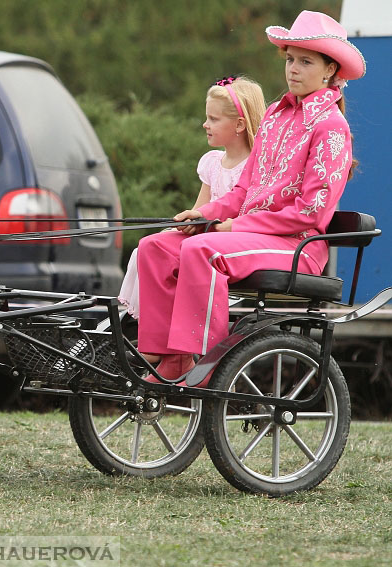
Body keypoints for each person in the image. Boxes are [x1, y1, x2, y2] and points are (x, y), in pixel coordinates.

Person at [135, 10, 365, 386]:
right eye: (290, 58)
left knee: (203, 250)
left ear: (330, 70)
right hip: (252, 236)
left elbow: (311, 213)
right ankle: (169, 358)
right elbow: (246, 189)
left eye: (305, 61)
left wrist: (236, 225)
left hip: (297, 246)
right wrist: (204, 212)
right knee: (156, 247)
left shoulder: (331, 128)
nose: (293, 68)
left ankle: (207, 366)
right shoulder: (275, 116)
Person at [118, 75, 266, 318]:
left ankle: (173, 330)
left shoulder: (256, 166)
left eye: (213, 119)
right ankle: (152, 325)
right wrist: (187, 224)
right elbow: (200, 209)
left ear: (239, 125)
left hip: (227, 245)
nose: (205, 124)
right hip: (204, 237)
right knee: (148, 247)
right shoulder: (212, 163)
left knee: (177, 254)